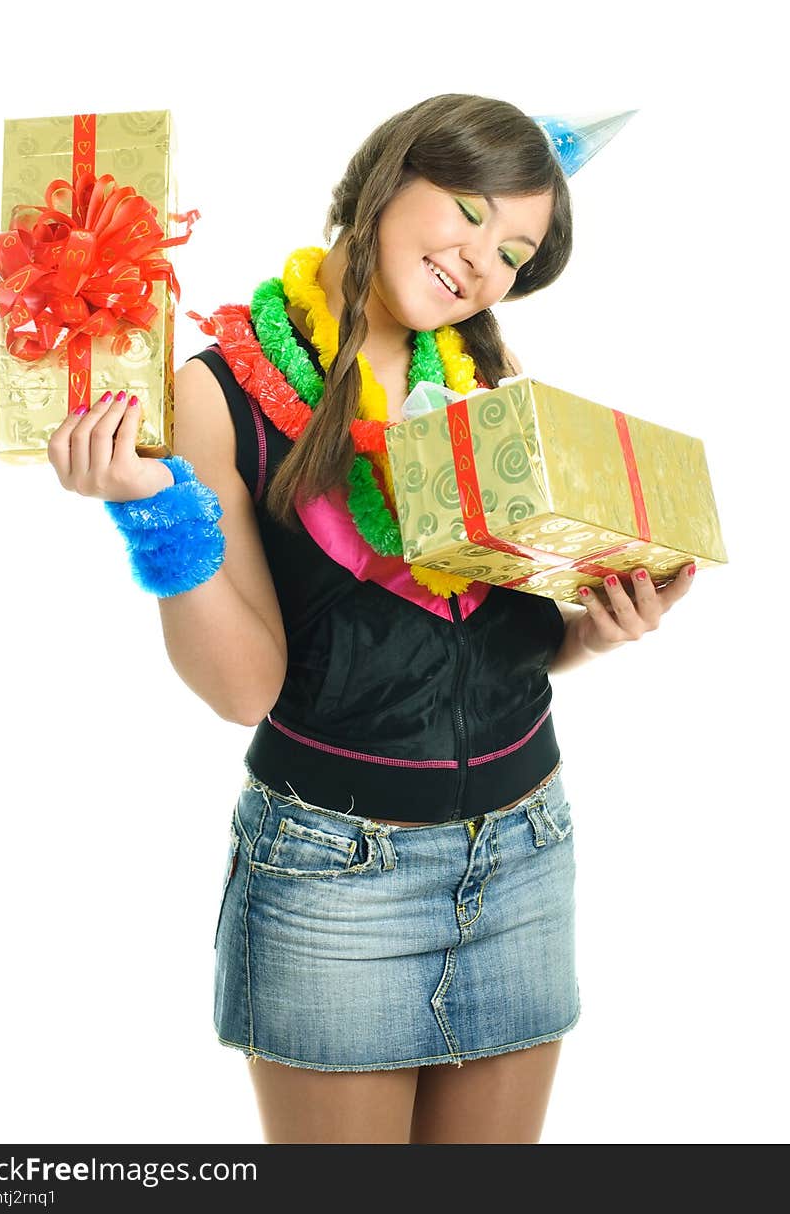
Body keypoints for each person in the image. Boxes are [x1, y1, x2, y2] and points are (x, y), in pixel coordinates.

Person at [47, 94, 696, 1144]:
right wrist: (155, 514)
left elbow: (490, 637)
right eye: (472, 210)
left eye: (517, 253)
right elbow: (243, 687)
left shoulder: (486, 386)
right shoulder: (216, 396)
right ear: (390, 175)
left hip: (525, 846)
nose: (486, 260)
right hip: (334, 873)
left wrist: (596, 623)